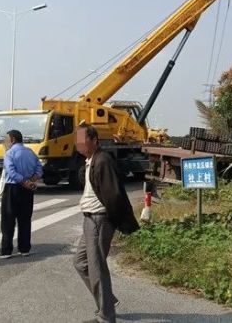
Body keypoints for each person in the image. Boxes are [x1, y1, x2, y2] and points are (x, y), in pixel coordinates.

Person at [73, 124, 139, 323]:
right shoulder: (90, 160)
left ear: (94, 141)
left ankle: (106, 316)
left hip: (99, 219)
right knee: (80, 262)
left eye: (83, 140)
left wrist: (116, 221)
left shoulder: (103, 161)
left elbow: (114, 195)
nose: (79, 144)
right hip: (89, 219)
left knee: (96, 267)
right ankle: (107, 300)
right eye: (77, 141)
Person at [0, 129, 42, 259]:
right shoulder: (31, 152)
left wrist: (23, 182)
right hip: (27, 190)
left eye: (7, 139)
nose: (5, 142)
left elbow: (10, 172)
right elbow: (39, 169)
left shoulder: (9, 153)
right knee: (25, 219)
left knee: (8, 220)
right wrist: (31, 180)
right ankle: (24, 249)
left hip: (12, 188)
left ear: (12, 139)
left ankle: (6, 251)